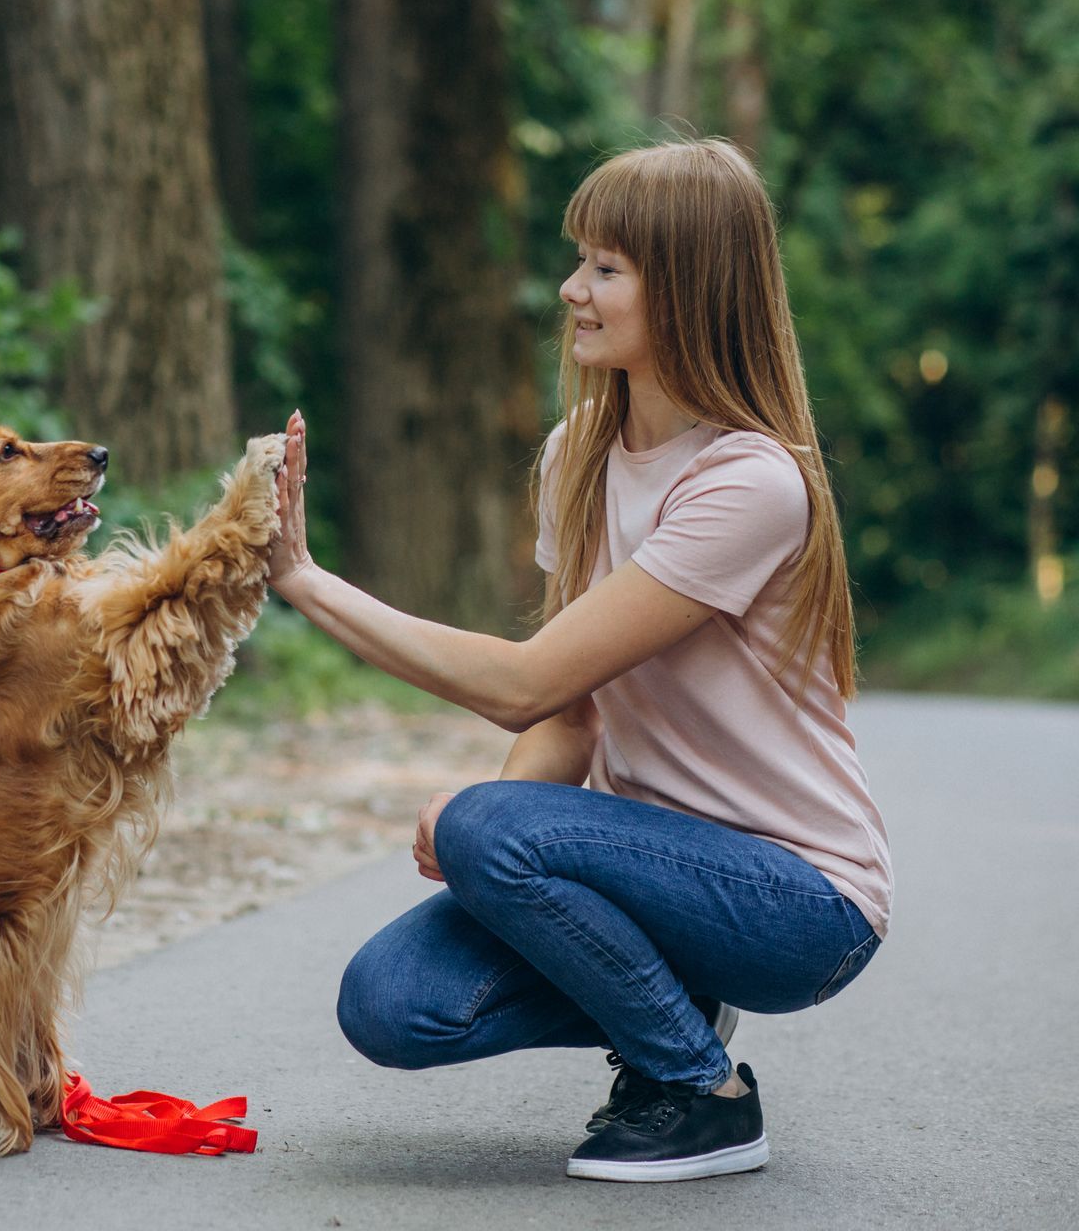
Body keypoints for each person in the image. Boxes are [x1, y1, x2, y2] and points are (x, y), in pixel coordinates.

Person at [266, 138, 892, 1183]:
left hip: (798, 901)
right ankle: (671, 1001)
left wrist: (306, 580)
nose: (572, 290)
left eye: (606, 267)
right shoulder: (579, 453)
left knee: (483, 822)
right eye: (580, 262)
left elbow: (529, 680)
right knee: (392, 1000)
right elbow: (572, 715)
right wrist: (493, 854)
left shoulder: (751, 481)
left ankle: (701, 1091)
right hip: (649, 867)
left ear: (690, 286)